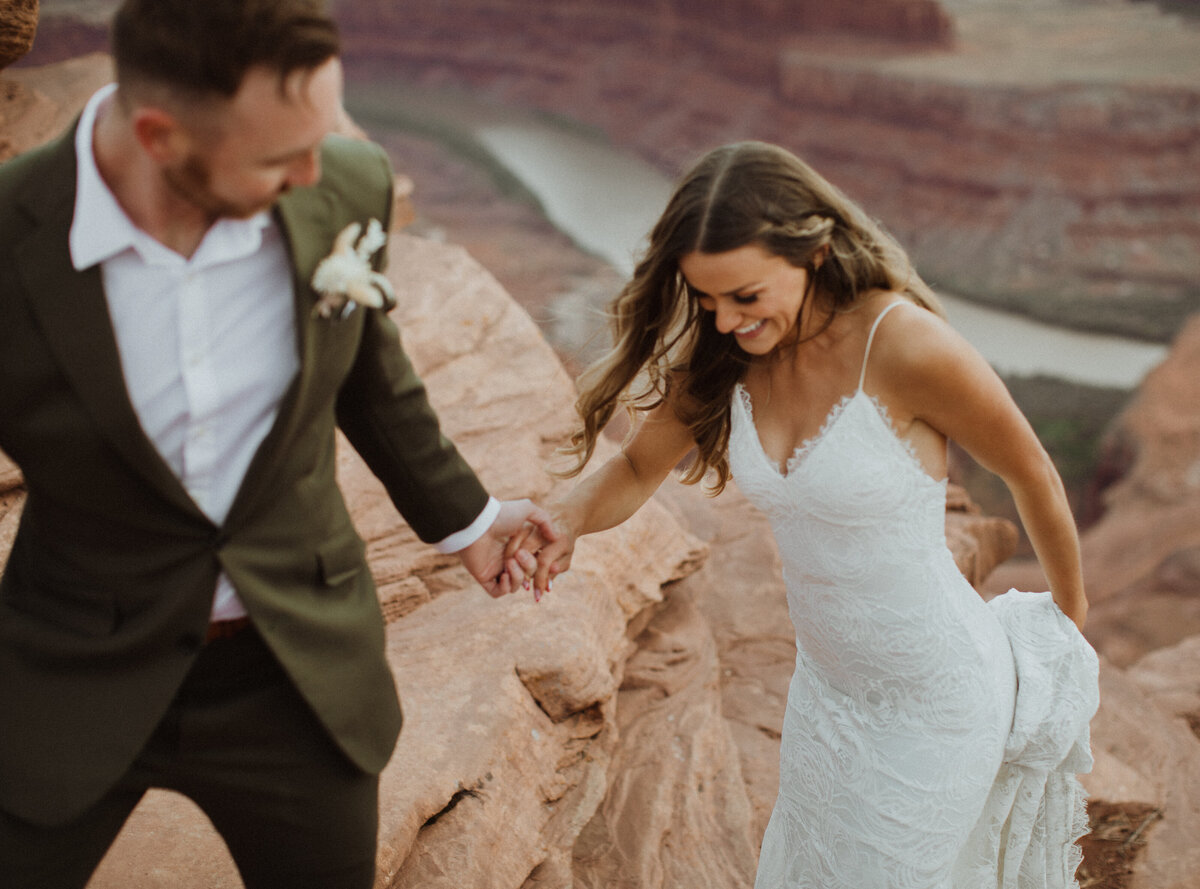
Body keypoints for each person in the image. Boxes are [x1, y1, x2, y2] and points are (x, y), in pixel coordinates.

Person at [0, 1, 551, 886]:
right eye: (280, 157)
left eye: (323, 134)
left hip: (294, 672)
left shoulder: (343, 182)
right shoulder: (8, 239)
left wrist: (469, 519)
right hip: (75, 662)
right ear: (159, 135)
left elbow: (371, 373)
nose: (315, 173)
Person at [511, 141, 1098, 887]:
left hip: (937, 704)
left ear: (813, 252)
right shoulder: (728, 359)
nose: (725, 321)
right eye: (708, 300)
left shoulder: (903, 344)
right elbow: (634, 467)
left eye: (746, 297)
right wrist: (562, 518)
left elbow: (1031, 471)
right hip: (826, 699)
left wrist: (1070, 626)